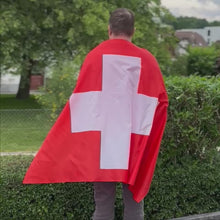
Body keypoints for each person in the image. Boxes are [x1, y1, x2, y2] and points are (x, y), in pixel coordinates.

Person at [23, 8, 168, 220]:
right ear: (133, 31)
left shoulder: (94, 57)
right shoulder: (147, 60)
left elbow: (82, 100)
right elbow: (161, 103)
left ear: (109, 29)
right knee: (135, 206)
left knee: (103, 205)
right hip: (135, 140)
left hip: (103, 142)